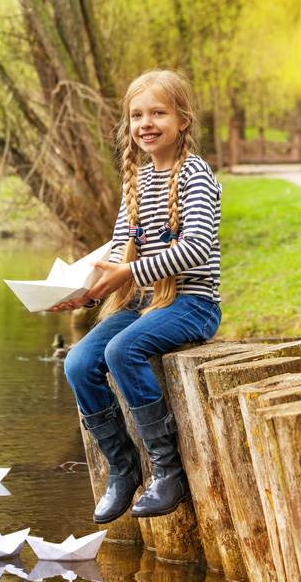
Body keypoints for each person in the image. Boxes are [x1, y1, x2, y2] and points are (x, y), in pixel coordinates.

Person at [52, 69, 222, 524]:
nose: (146, 123)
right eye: (136, 115)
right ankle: (122, 469)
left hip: (192, 303)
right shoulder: (138, 182)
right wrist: (80, 292)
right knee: (78, 362)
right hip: (145, 303)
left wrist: (129, 271)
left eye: (158, 113)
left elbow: (196, 247)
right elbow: (115, 254)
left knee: (124, 349)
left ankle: (168, 470)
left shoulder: (195, 175)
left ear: (183, 120)